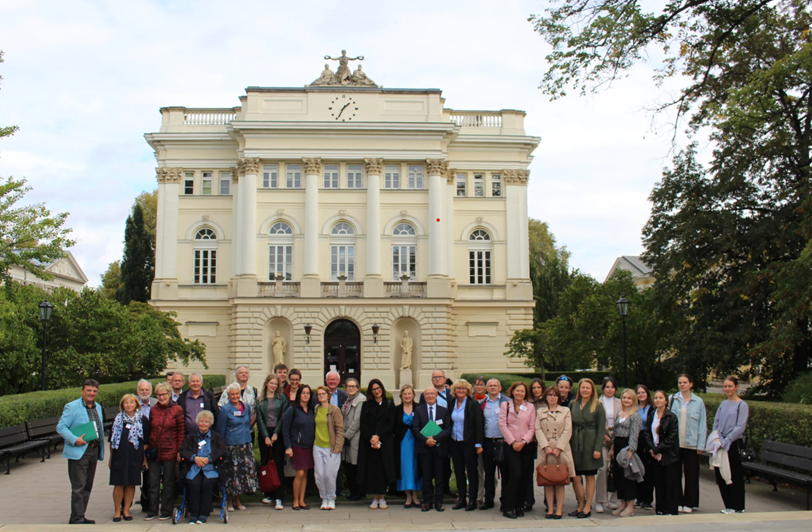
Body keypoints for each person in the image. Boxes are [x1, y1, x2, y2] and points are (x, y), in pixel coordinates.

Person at [57, 378, 105, 525]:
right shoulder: (72, 407)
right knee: (78, 486)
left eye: (94, 391)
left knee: (87, 485)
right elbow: (61, 427)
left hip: (93, 450)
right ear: (82, 391)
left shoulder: (97, 407)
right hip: (79, 450)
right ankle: (76, 519)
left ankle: (79, 515)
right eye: (89, 390)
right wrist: (74, 439)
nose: (91, 393)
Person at [215, 382, 259, 512]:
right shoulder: (225, 410)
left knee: (242, 474)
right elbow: (220, 431)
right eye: (232, 394)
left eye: (236, 394)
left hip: (244, 444)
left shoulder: (245, 406)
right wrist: (221, 448)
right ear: (228, 396)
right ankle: (229, 502)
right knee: (231, 475)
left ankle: (238, 501)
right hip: (231, 446)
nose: (235, 396)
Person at [144, 382, 184, 520]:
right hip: (155, 450)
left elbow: (181, 431)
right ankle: (152, 509)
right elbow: (150, 429)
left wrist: (179, 450)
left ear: (169, 394)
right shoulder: (153, 410)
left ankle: (166, 509)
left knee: (168, 481)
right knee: (153, 481)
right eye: (159, 395)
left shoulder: (177, 409)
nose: (161, 397)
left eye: (164, 394)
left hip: (170, 449)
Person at [179, 410, 226, 525]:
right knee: (194, 484)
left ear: (210, 424)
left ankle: (203, 514)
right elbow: (183, 450)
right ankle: (194, 514)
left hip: (211, 468)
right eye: (201, 421)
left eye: (206, 422)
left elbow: (222, 450)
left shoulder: (217, 437)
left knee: (207, 484)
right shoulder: (190, 437)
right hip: (194, 467)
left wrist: (208, 459)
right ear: (197, 423)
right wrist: (194, 458)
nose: (203, 424)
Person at [669, 373, 707, 513]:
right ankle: (678, 500)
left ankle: (690, 502)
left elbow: (702, 425)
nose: (682, 385)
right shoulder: (672, 399)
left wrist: (701, 445)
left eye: (685, 382)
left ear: (691, 384)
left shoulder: (698, 402)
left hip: (691, 443)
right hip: (676, 443)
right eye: (680, 382)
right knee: (675, 473)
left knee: (691, 474)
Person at [569, 378, 606, 519]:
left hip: (590, 442)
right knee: (576, 477)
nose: (585, 390)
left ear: (592, 390)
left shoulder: (597, 405)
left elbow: (601, 428)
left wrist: (597, 448)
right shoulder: (573, 404)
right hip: (575, 443)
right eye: (582, 387)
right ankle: (581, 504)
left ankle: (588, 506)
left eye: (587, 388)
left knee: (589, 476)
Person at [498, 381, 536, 519]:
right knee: (515, 475)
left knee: (525, 476)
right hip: (511, 445)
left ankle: (519, 505)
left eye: (522, 391)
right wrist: (513, 442)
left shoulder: (530, 407)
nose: (519, 393)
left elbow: (532, 427)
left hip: (526, 446)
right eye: (517, 390)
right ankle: (508, 506)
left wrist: (524, 441)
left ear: (525, 393)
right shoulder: (505, 405)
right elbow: (502, 425)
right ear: (512, 391)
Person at [536, 385, 574, 519]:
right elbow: (537, 429)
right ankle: (550, 509)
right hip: (545, 449)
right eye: (550, 395)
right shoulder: (540, 412)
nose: (552, 397)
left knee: (560, 479)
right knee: (548, 479)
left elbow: (568, 430)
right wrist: (545, 446)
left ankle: (559, 509)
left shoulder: (565, 411)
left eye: (555, 395)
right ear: (546, 397)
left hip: (561, 448)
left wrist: (559, 447)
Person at [712, 376, 749, 514]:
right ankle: (728, 504)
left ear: (736, 387)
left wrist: (727, 441)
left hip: (733, 444)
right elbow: (716, 422)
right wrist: (718, 438)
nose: (727, 389)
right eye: (725, 386)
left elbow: (740, 426)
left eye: (730, 386)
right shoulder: (723, 404)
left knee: (734, 475)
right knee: (721, 474)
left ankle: (737, 506)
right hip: (721, 443)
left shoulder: (742, 405)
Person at [108, 394, 148, 522]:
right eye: (126, 403)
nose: (129, 405)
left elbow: (145, 442)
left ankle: (126, 510)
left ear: (136, 404)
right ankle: (116, 511)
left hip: (135, 455)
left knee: (131, 484)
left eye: (131, 402)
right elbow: (112, 440)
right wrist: (111, 458)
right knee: (118, 484)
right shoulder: (118, 419)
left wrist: (144, 459)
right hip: (119, 455)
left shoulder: (142, 419)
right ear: (122, 405)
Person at [357, 379, 396, 509]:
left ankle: (383, 498)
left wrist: (378, 436)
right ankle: (374, 498)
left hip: (385, 442)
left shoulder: (389, 404)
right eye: (373, 389)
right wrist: (371, 438)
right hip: (370, 444)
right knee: (372, 471)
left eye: (378, 388)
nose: (376, 391)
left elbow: (390, 424)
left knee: (383, 470)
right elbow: (363, 424)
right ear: (370, 391)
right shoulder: (366, 405)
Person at [413, 386, 451, 512]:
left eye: (432, 394)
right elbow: (415, 429)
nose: (430, 396)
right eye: (427, 394)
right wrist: (426, 440)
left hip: (439, 448)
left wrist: (435, 439)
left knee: (440, 476)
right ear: (424, 396)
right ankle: (427, 501)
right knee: (426, 476)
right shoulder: (418, 410)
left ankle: (439, 501)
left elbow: (448, 429)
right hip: (424, 448)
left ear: (436, 395)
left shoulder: (444, 411)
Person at [449, 379, 484, 511]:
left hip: (469, 443)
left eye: (463, 389)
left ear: (468, 391)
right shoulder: (452, 403)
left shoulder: (473, 404)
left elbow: (478, 425)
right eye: (458, 389)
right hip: (455, 442)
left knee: (471, 472)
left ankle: (473, 500)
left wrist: (478, 444)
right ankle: (462, 499)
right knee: (458, 472)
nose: (461, 391)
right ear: (455, 391)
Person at [644, 390, 680, 516]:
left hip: (669, 455)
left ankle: (670, 509)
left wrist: (659, 449)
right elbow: (647, 432)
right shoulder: (652, 414)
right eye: (656, 398)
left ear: (666, 401)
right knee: (658, 482)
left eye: (660, 398)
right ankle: (660, 508)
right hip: (655, 454)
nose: (658, 400)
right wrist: (653, 448)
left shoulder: (671, 417)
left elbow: (672, 437)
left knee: (670, 482)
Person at [257, 374, 289, 509]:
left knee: (277, 465)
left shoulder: (282, 398)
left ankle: (279, 497)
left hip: (278, 434)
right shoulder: (260, 399)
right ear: (266, 384)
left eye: (276, 384)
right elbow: (259, 419)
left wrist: (276, 433)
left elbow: (283, 416)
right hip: (265, 434)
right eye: (271, 383)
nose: (274, 386)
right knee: (266, 464)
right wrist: (265, 436)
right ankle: (268, 493)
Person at [609, 389, 641, 517]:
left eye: (629, 398)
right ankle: (622, 503)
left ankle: (630, 506)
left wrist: (631, 450)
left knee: (628, 477)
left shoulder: (635, 415)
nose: (626, 400)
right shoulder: (619, 413)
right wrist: (611, 447)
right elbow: (614, 432)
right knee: (619, 477)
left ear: (633, 400)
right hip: (617, 446)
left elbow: (634, 434)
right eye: (624, 397)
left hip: (626, 448)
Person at [283, 384, 315, 510]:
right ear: (299, 395)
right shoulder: (293, 409)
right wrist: (288, 446)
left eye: (308, 393)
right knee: (300, 473)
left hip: (310, 445)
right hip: (297, 445)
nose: (306, 395)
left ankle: (302, 500)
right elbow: (285, 428)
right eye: (303, 393)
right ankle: (295, 500)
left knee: (305, 473)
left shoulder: (312, 409)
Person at [313, 386, 345, 510]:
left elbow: (340, 428)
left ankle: (331, 498)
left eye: (323, 394)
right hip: (318, 446)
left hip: (331, 447)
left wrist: (338, 445)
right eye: (319, 394)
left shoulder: (334, 410)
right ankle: (324, 498)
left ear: (328, 395)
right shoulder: (316, 409)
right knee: (319, 475)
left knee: (329, 475)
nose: (321, 396)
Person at [480, 378, 509, 510]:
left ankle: (505, 500)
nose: (492, 388)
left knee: (505, 473)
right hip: (488, 442)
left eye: (495, 386)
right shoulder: (483, 403)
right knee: (489, 473)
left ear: (500, 388)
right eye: (490, 386)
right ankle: (489, 499)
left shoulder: (507, 402)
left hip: (503, 441)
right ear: (486, 388)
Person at [595, 377, 621, 514]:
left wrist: (615, 438)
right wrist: (606, 436)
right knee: (603, 469)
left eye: (612, 387)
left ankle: (613, 499)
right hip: (602, 439)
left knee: (617, 469)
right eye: (607, 387)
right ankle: (600, 500)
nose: (610, 389)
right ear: (603, 388)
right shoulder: (597, 403)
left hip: (617, 439)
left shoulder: (620, 402)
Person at [395, 384, 421, 508]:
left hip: (417, 441)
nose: (407, 396)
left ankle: (415, 495)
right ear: (401, 396)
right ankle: (408, 496)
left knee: (415, 467)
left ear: (413, 395)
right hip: (403, 442)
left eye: (409, 393)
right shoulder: (397, 409)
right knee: (405, 468)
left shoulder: (419, 408)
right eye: (404, 394)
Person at [341, 378, 366, 501]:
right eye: (349, 386)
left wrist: (347, 435)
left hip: (355, 438)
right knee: (349, 466)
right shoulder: (348, 400)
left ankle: (359, 492)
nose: (351, 388)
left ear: (358, 388)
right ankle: (353, 492)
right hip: (347, 438)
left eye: (353, 386)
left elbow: (357, 421)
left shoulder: (360, 400)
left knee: (355, 466)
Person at [177, 373, 219, 437]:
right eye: (193, 381)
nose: (195, 383)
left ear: (201, 383)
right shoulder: (183, 397)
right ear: (189, 383)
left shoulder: (209, 396)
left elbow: (216, 413)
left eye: (197, 381)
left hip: (206, 435)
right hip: (188, 436)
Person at [526, 377, 546, 511]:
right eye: (534, 388)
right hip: (530, 440)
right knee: (528, 472)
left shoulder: (547, 402)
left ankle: (550, 501)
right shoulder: (526, 402)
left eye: (538, 387)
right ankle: (528, 500)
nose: (536, 390)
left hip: (544, 440)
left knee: (547, 471)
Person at [136, 379, 157, 509]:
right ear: (137, 391)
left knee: (149, 474)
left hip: (151, 443)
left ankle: (146, 503)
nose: (144, 392)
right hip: (135, 443)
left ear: (151, 391)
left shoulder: (155, 403)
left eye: (147, 390)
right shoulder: (132, 403)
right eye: (142, 390)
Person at [635, 385, 655, 510]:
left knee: (648, 470)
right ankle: (639, 498)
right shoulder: (634, 407)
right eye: (638, 392)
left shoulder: (652, 408)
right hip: (636, 438)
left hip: (648, 438)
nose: (641, 395)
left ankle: (648, 499)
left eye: (643, 392)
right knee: (637, 468)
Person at [472, 376, 488, 507]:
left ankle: (489, 493)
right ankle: (479, 495)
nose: (479, 387)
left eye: (481, 385)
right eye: (477, 384)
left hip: (486, 439)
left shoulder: (489, 401)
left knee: (488, 469)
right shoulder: (470, 400)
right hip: (473, 440)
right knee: (478, 469)